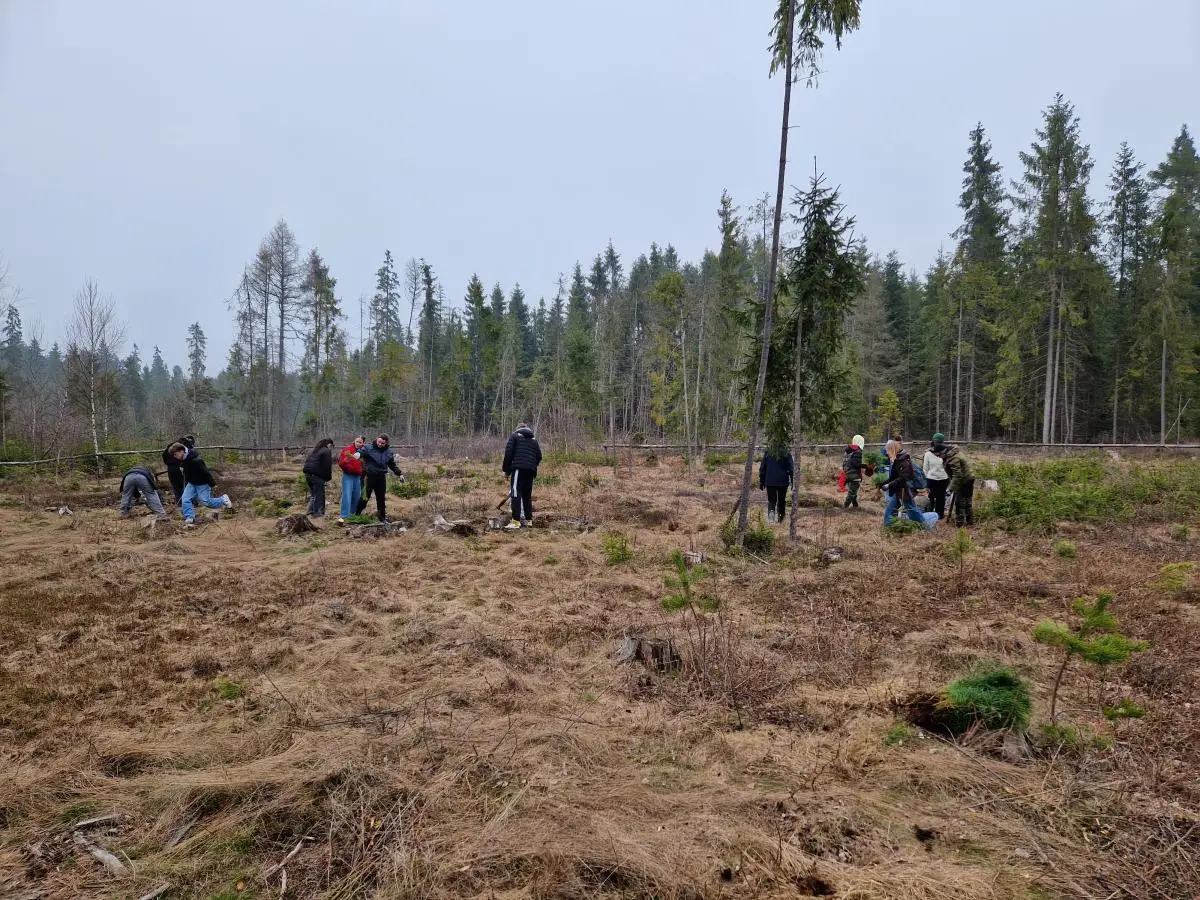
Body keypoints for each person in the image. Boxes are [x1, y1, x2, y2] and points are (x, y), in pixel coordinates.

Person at [170, 441, 232, 526]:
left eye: (175, 454)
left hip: (202, 483)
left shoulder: (196, 460)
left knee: (206, 502)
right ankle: (189, 517)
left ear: (181, 451)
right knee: (185, 498)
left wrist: (212, 484)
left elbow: (206, 473)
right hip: (192, 483)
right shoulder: (183, 460)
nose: (175, 457)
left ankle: (223, 499)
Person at [502, 423, 542, 529]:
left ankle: (515, 521)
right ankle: (528, 521)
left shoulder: (515, 436)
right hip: (531, 471)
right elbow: (539, 456)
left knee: (515, 492)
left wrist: (506, 471)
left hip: (519, 469)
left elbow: (508, 453)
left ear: (518, 429)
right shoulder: (534, 440)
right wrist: (531, 465)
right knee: (526, 495)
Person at [358, 434, 405, 522]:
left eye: (382, 443)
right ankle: (356, 515)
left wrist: (400, 474)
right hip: (369, 476)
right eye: (379, 442)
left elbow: (392, 465)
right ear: (376, 439)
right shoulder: (368, 448)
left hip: (381, 478)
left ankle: (382, 517)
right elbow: (361, 451)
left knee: (381, 499)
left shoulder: (388, 452)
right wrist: (357, 454)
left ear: (386, 443)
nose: (379, 444)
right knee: (365, 497)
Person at [881, 438, 924, 527]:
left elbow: (903, 478)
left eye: (888, 451)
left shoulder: (903, 461)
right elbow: (894, 477)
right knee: (891, 509)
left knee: (912, 510)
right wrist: (883, 483)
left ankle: (924, 526)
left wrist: (889, 485)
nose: (887, 453)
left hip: (906, 489)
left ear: (892, 450)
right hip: (898, 490)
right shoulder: (896, 460)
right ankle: (889, 526)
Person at [758, 444, 795, 524]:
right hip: (783, 481)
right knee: (782, 500)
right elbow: (791, 469)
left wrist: (762, 481)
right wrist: (793, 481)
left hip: (770, 481)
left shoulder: (768, 452)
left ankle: (771, 520)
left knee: (772, 500)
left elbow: (762, 468)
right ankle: (781, 519)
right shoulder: (787, 452)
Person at [941, 442, 976, 526]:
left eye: (940, 455)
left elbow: (957, 475)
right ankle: (970, 521)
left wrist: (950, 489)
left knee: (960, 502)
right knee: (967, 500)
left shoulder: (954, 458)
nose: (939, 456)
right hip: (968, 478)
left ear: (945, 452)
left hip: (963, 481)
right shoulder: (955, 453)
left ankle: (960, 524)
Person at [302, 438, 335, 518]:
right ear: (329, 444)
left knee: (314, 495)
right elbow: (327, 466)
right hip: (317, 476)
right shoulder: (326, 451)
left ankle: (310, 512)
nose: (331, 447)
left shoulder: (315, 450)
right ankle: (318, 514)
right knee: (319, 495)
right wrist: (328, 478)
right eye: (332, 445)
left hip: (308, 475)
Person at [337, 435, 366, 523]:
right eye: (357, 441)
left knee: (357, 495)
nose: (358, 443)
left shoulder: (364, 451)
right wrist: (347, 462)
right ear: (354, 441)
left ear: (363, 443)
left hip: (358, 476)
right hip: (348, 475)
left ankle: (353, 514)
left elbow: (365, 464)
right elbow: (341, 462)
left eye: (360, 442)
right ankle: (345, 515)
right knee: (347, 495)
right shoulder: (348, 449)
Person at [161, 433, 195, 505]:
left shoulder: (171, 445)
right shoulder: (186, 446)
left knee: (176, 487)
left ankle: (180, 503)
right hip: (182, 468)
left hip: (171, 469)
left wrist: (169, 463)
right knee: (188, 486)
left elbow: (164, 455)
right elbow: (191, 457)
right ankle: (191, 503)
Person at [923, 433, 950, 519]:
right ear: (933, 442)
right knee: (931, 496)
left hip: (943, 478)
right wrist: (925, 480)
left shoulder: (947, 452)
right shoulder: (928, 454)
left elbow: (950, 467)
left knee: (941, 497)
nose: (937, 443)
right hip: (931, 478)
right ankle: (930, 514)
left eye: (939, 442)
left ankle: (940, 514)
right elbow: (925, 468)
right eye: (936, 442)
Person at [842, 434, 865, 510]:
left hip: (847, 473)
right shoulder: (858, 451)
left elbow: (845, 463)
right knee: (852, 492)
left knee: (852, 491)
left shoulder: (848, 451)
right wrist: (865, 466)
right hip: (854, 475)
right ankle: (845, 507)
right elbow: (855, 464)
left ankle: (855, 506)